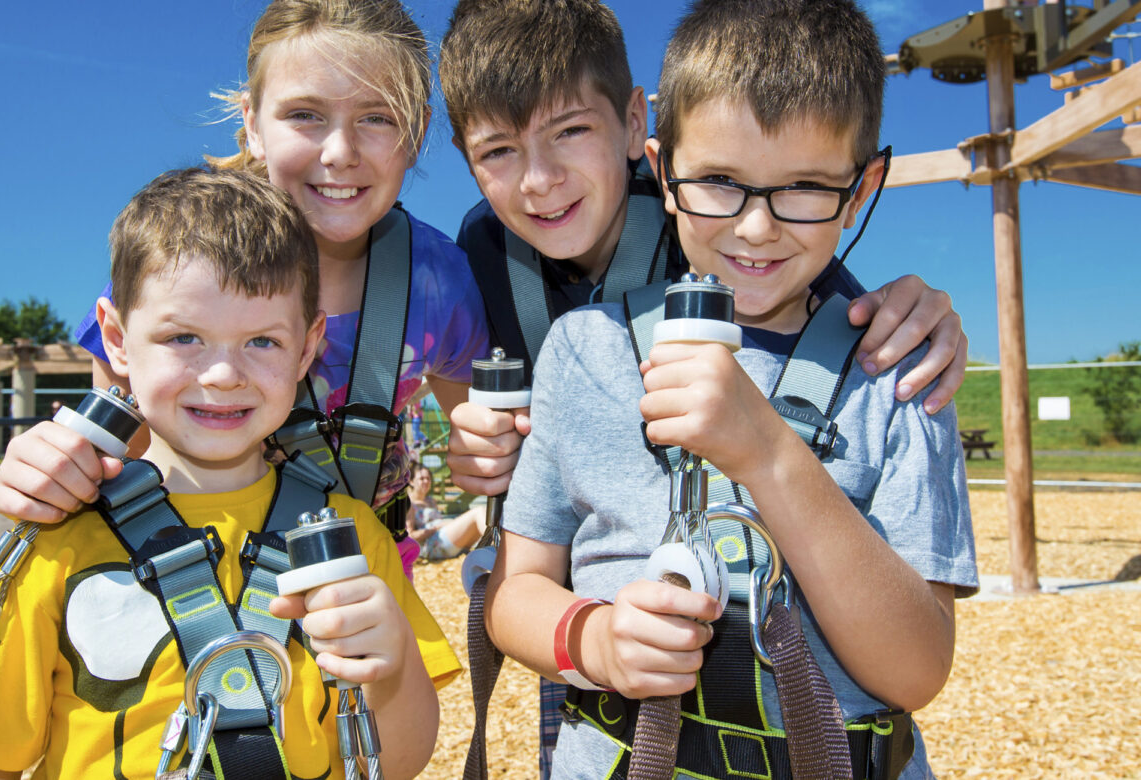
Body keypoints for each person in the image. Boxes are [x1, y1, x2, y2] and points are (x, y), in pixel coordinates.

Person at [437, 0, 971, 773]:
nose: (755, 227)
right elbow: (520, 585)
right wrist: (595, 638)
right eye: (719, 181)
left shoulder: (897, 364)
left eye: (807, 187)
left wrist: (767, 449)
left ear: (633, 136)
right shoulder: (534, 303)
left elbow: (918, 670)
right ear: (668, 166)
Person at [0, 166, 455, 779]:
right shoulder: (57, 540)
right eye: (184, 337)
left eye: (262, 341)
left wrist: (390, 666)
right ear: (116, 339)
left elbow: (398, 764)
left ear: (307, 345)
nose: (222, 375)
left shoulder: (349, 537)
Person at [0, 0, 489, 581]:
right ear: (252, 122)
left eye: (378, 118)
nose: (340, 152)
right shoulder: (178, 264)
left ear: (419, 129)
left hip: (358, 587)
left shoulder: (441, 285)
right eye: (305, 114)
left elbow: (481, 439)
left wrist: (490, 453)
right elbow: (116, 459)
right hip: (185, 586)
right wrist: (46, 473)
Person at [439, 0, 969, 504]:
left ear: (634, 123)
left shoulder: (710, 212)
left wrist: (914, 312)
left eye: (571, 130)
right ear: (465, 159)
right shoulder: (481, 251)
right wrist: (481, 447)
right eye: (500, 150)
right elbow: (470, 403)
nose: (541, 180)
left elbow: (832, 307)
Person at [406, 464, 485, 563]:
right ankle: (500, 546)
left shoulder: (431, 501)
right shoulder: (410, 504)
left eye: (428, 478)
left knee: (477, 523)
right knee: (478, 512)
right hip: (432, 544)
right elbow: (410, 536)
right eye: (421, 479)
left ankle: (495, 550)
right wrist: (436, 528)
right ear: (411, 481)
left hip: (442, 536)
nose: (426, 481)